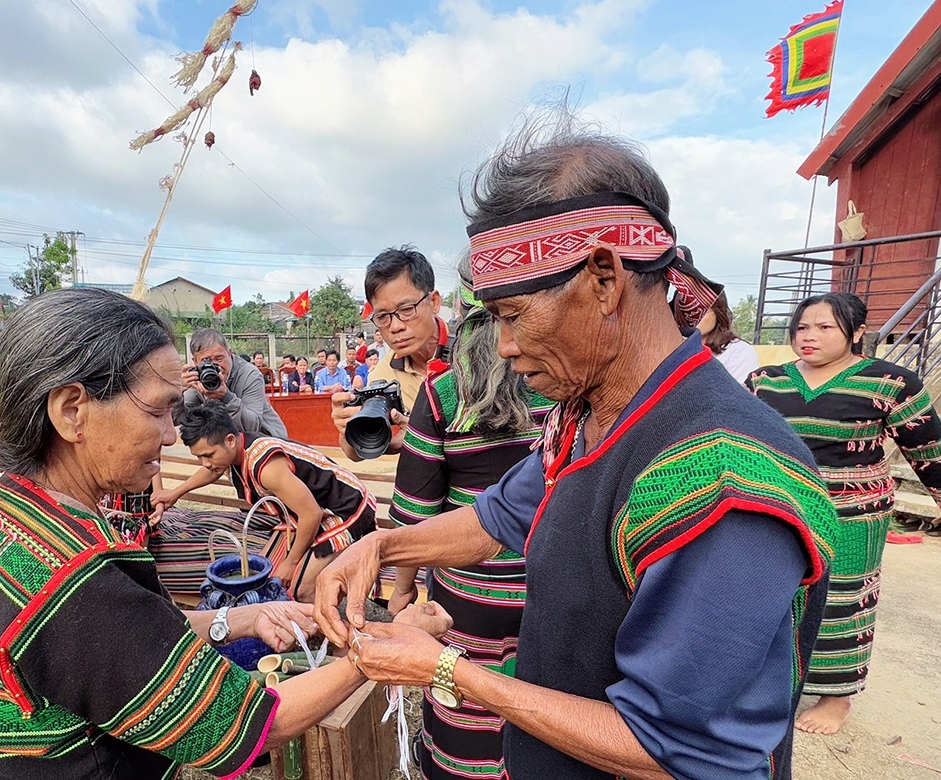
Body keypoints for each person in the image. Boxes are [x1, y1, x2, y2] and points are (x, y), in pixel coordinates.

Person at [315, 112, 841, 780]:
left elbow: (672, 748)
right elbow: (496, 517)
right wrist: (381, 547)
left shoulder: (720, 474)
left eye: (512, 315)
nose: (504, 347)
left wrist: (450, 671)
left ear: (603, 279)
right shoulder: (590, 417)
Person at [0, 287, 453, 779]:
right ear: (73, 411)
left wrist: (242, 617)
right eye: (158, 410)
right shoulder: (74, 582)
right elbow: (249, 724)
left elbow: (132, 642)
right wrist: (386, 649)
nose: (170, 435)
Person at [388, 259, 553, 780]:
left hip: (467, 599)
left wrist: (402, 588)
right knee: (543, 711)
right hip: (550, 593)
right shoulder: (563, 387)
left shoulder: (443, 395)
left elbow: (413, 517)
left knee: (464, 705)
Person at [748, 291, 941, 735]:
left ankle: (836, 697)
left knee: (842, 602)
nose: (808, 336)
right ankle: (773, 681)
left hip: (852, 515)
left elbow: (928, 451)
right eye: (801, 328)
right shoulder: (766, 380)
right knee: (773, 595)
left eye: (824, 327)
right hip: (782, 510)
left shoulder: (890, 383)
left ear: (856, 333)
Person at [155, 402, 378, 602]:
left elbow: (311, 514)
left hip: (347, 510)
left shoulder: (266, 467)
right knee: (265, 573)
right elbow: (211, 472)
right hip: (310, 511)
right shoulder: (234, 452)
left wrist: (290, 564)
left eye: (208, 455)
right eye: (199, 457)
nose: (205, 463)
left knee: (303, 587)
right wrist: (176, 492)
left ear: (230, 440)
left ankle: (338, 638)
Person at [331, 246, 449, 461]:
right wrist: (347, 425)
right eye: (383, 316)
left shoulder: (473, 351)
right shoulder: (385, 375)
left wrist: (418, 434)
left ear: (433, 302)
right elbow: (354, 455)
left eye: (406, 310)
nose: (395, 327)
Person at [176, 328, 288, 439]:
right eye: (206, 361)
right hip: (230, 440)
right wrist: (177, 391)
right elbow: (177, 420)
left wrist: (226, 397)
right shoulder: (199, 376)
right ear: (195, 361)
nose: (216, 367)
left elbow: (252, 426)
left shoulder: (250, 375)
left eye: (219, 358)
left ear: (229, 353)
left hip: (267, 439)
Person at [696, 290, 758, 383]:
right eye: (684, 308)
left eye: (702, 309)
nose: (693, 315)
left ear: (719, 312)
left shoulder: (739, 353)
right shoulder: (674, 350)